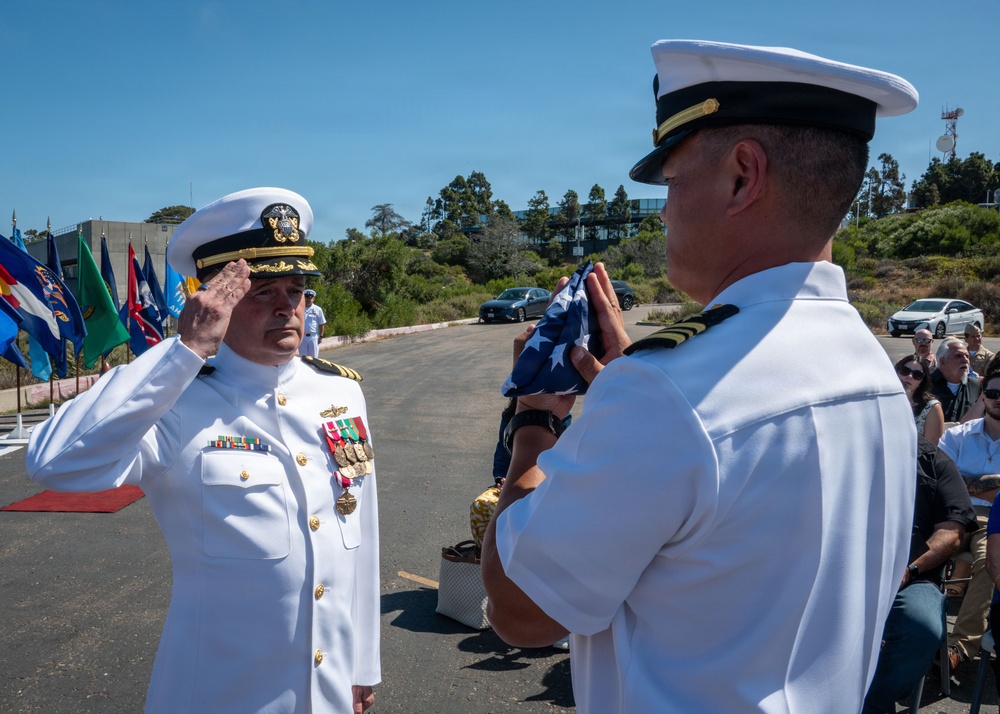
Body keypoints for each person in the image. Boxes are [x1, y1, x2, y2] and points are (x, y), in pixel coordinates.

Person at [481, 39, 918, 713]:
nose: (663, 211)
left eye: (673, 180)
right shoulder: (874, 370)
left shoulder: (665, 393)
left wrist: (535, 418)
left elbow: (520, 610)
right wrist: (636, 391)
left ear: (743, 175)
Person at [26, 188, 379, 714]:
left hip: (326, 692)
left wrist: (362, 665)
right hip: (219, 693)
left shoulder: (340, 392)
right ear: (217, 301)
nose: (287, 306)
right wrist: (184, 349)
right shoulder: (175, 402)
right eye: (262, 291)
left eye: (297, 289)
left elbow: (360, 536)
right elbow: (54, 462)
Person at [862, 436, 976, 713]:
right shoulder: (841, 449)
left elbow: (952, 532)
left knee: (920, 628)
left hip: (915, 575)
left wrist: (909, 568)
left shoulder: (934, 461)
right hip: (843, 571)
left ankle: (870, 704)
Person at [938, 371, 1000, 674]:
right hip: (951, 513)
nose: (999, 400)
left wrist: (963, 481)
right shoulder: (956, 436)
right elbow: (940, 479)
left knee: (991, 562)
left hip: (994, 518)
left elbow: (953, 479)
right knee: (910, 552)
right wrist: (993, 483)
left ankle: (958, 648)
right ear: (983, 397)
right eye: (994, 394)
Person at [896, 354, 946, 444]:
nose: (910, 376)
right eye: (904, 371)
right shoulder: (881, 401)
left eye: (917, 375)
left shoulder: (931, 408)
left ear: (922, 382)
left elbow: (931, 449)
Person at [930, 337, 981, 423]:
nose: (965, 360)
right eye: (958, 356)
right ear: (943, 361)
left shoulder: (975, 386)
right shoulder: (926, 385)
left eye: (967, 356)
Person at [299, 288, 327, 358]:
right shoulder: (299, 309)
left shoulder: (318, 309)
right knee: (303, 358)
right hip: (302, 337)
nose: (308, 300)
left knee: (314, 358)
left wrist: (321, 336)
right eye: (306, 298)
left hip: (313, 337)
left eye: (310, 298)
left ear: (313, 299)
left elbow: (322, 323)